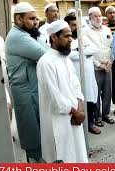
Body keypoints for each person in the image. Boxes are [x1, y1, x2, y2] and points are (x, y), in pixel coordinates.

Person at [37, 20, 88, 163]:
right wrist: (75, 112)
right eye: (66, 36)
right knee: (64, 157)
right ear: (54, 37)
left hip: (75, 117)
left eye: (71, 35)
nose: (71, 39)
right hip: (59, 120)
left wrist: (80, 107)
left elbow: (76, 86)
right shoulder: (45, 62)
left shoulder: (66, 59)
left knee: (78, 155)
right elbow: (55, 97)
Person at [5, 2, 48, 162]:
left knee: (37, 128)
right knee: (31, 132)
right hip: (25, 91)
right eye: (31, 19)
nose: (35, 22)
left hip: (31, 88)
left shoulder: (26, 34)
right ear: (18, 19)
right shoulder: (18, 37)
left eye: (36, 18)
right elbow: (45, 55)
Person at [64, 15, 101, 134]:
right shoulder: (67, 41)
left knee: (90, 100)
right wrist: (83, 53)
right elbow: (69, 54)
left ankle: (90, 123)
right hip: (76, 77)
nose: (76, 27)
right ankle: (79, 124)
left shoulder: (83, 37)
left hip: (89, 76)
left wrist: (79, 51)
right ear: (67, 26)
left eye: (77, 24)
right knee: (77, 101)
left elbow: (95, 48)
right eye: (73, 25)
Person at [83, 7, 114, 126]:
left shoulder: (107, 29)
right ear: (90, 17)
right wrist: (99, 64)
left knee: (107, 92)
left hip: (108, 66)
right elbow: (87, 51)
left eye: (100, 16)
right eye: (96, 16)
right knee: (95, 93)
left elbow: (111, 47)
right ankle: (97, 117)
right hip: (95, 68)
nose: (99, 18)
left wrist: (110, 61)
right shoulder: (85, 31)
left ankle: (106, 114)